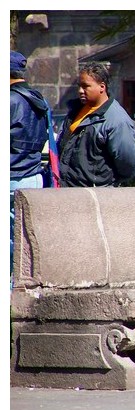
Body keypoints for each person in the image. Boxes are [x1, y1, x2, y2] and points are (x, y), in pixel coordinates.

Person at [57, 62, 135, 187]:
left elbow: (128, 164)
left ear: (102, 87)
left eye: (86, 86)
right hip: (66, 191)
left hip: (96, 194)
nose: (80, 91)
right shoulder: (75, 111)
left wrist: (104, 182)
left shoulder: (117, 120)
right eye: (79, 86)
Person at [10, 50, 50, 279]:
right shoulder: (39, 99)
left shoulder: (10, 100)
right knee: (23, 239)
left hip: (11, 175)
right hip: (32, 175)